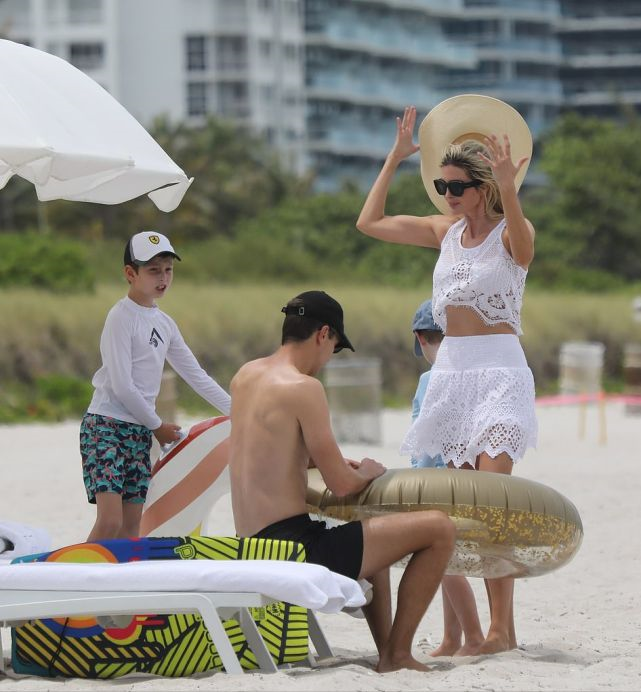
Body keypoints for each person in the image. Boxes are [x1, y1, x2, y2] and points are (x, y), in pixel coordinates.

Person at [356, 97, 538, 655]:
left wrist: (510, 187)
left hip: (500, 371)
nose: (448, 196)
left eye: (457, 187)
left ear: (481, 188)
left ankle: (503, 628)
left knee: (492, 502)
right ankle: (480, 632)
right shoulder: (444, 232)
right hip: (453, 374)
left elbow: (525, 250)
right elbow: (370, 222)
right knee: (462, 511)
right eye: (442, 187)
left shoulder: (511, 232)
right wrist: (394, 158)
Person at [229, 290, 456, 673]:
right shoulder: (304, 388)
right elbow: (343, 484)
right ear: (323, 334)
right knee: (439, 529)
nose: (328, 360)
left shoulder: (245, 376)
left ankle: (388, 652)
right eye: (334, 347)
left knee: (372, 539)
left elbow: (267, 461)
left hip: (250, 543)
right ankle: (398, 654)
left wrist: (317, 461)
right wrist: (367, 470)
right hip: (294, 546)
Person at [80, 231, 231, 542]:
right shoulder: (120, 317)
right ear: (130, 274)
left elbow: (196, 376)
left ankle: (119, 588)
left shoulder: (164, 323)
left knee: (131, 528)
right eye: (153, 271)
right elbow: (122, 386)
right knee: (110, 521)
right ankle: (72, 582)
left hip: (139, 432)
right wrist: (158, 425)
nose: (163, 278)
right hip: (106, 426)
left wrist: (241, 413)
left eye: (168, 269)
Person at [410, 298, 484, 656]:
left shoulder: (429, 379)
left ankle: (473, 637)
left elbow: (424, 441)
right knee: (448, 561)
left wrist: (415, 484)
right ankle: (451, 638)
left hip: (435, 483)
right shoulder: (474, 376)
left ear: (421, 339)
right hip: (466, 479)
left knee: (440, 563)